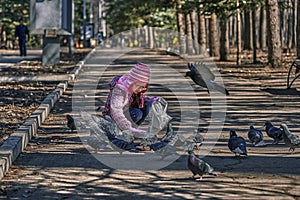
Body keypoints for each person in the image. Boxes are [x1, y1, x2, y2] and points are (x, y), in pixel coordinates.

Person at [102, 63, 159, 137]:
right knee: (137, 113)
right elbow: (115, 110)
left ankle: (133, 130)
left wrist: (150, 100)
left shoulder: (134, 89)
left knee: (147, 104)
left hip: (126, 111)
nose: (140, 89)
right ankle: (124, 131)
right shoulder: (120, 90)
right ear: (131, 82)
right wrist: (127, 126)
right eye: (138, 86)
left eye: (143, 87)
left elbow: (134, 100)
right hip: (114, 116)